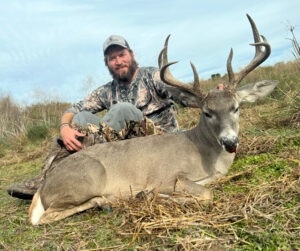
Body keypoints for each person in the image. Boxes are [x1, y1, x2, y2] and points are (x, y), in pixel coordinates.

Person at [7, 35, 198, 200]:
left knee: (123, 110)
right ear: (107, 63)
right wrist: (65, 127)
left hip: (161, 146)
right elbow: (73, 109)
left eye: (121, 55)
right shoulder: (106, 91)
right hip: (128, 154)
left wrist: (211, 99)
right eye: (111, 58)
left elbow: (182, 95)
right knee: (80, 118)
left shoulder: (152, 76)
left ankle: (86, 172)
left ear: (132, 55)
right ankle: (47, 180)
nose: (118, 61)